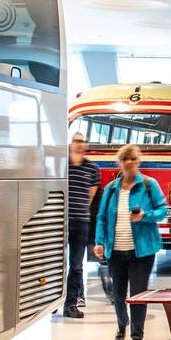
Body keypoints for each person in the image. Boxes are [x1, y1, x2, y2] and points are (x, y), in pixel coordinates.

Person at [94, 144, 169, 340]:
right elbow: (101, 217)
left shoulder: (148, 185)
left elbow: (163, 210)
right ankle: (121, 325)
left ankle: (137, 335)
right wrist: (99, 242)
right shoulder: (111, 189)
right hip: (115, 251)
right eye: (125, 159)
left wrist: (145, 216)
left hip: (142, 252)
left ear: (138, 162)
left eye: (133, 159)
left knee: (137, 294)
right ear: (120, 163)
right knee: (118, 294)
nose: (129, 163)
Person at [64, 131, 99, 319]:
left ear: (86, 145)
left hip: (81, 222)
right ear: (70, 144)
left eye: (82, 142)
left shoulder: (92, 169)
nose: (79, 144)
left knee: (76, 266)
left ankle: (70, 304)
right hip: (61, 222)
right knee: (57, 264)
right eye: (76, 141)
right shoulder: (62, 166)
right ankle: (53, 301)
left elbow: (90, 197)